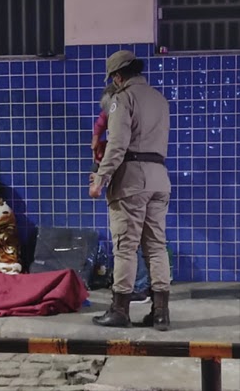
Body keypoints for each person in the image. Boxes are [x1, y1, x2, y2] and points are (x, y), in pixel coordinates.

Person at [89, 50, 172, 331]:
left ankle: (120, 310)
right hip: (159, 177)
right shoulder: (160, 100)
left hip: (132, 181)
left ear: (118, 76)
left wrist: (101, 178)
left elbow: (117, 145)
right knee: (156, 246)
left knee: (125, 247)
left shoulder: (122, 99)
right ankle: (161, 312)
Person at [91, 83, 153, 304]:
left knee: (129, 241)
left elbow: (118, 150)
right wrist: (97, 138)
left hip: (134, 184)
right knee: (142, 240)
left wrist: (99, 177)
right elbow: (102, 121)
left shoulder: (126, 118)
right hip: (150, 180)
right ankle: (145, 287)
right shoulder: (145, 109)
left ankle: (139, 288)